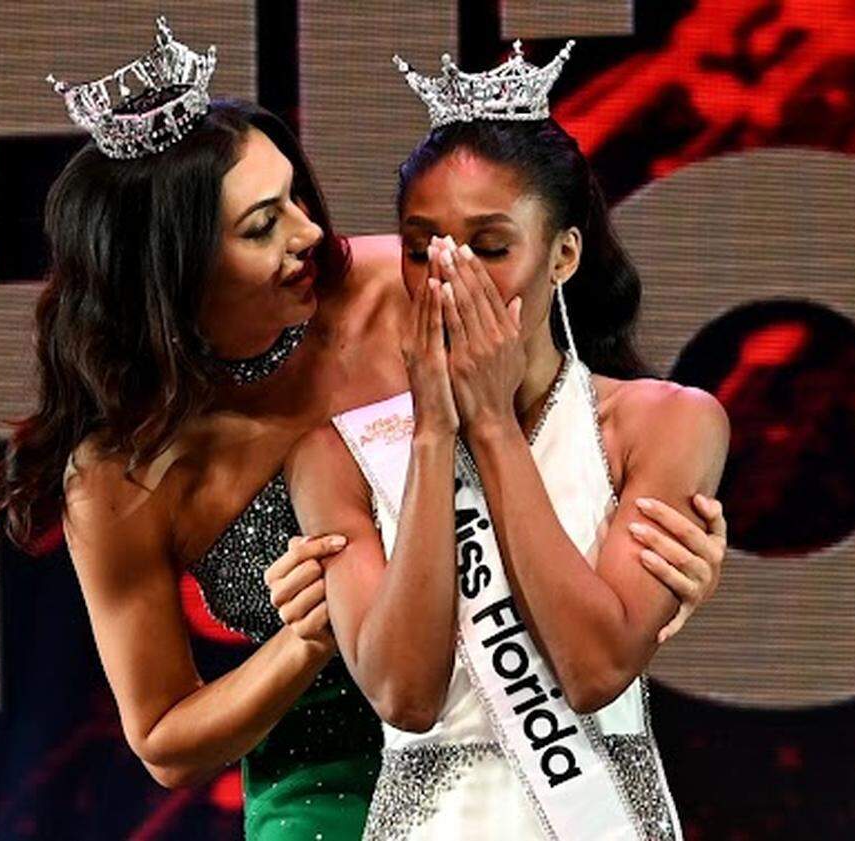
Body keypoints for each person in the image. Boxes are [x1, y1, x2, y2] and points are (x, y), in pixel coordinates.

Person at [0, 20, 728, 841]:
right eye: (261, 225)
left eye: (295, 197)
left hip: (539, 737)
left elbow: (581, 436)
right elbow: (164, 739)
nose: (311, 234)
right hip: (324, 782)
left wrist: (655, 570)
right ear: (170, 269)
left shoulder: (408, 285)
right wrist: (307, 638)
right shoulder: (123, 473)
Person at [281, 42, 728, 840]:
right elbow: (404, 694)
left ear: (563, 254)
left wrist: (490, 426)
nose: (452, 279)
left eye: (489, 248)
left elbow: (594, 669)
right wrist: (432, 432)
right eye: (423, 250)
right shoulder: (337, 455)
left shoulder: (666, 422)